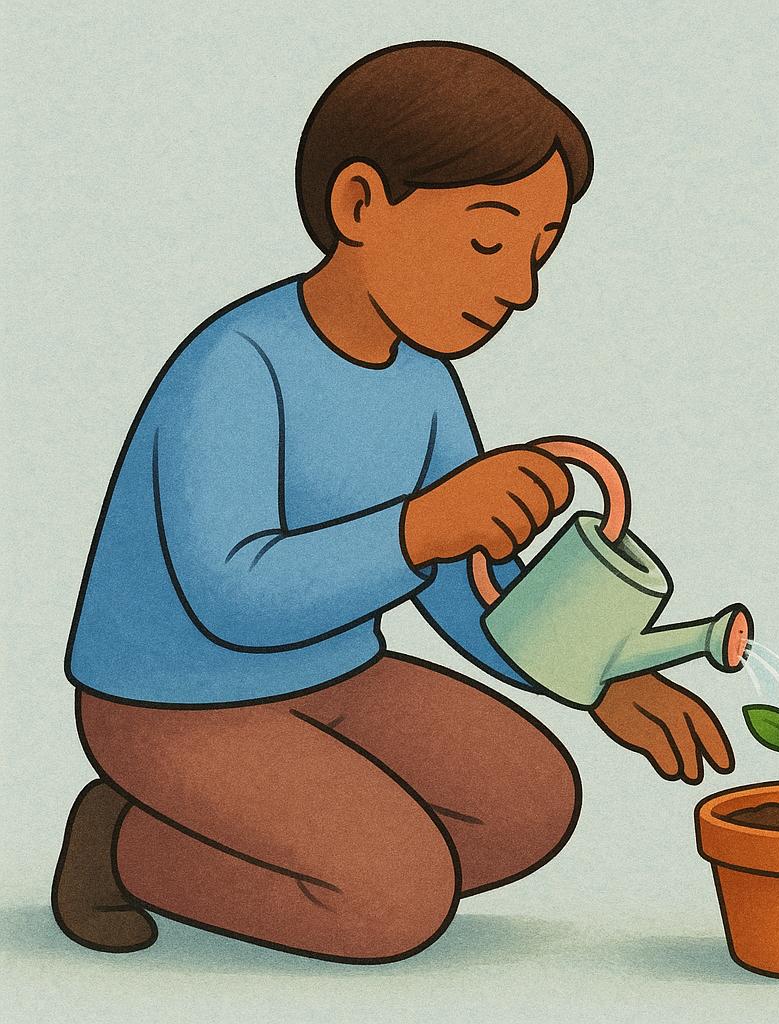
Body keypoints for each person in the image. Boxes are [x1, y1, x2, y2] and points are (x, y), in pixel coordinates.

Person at [52, 40, 735, 964]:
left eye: (540, 252)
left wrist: (594, 675)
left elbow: (468, 583)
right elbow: (234, 595)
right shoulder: (237, 365)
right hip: (173, 704)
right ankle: (123, 848)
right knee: (395, 905)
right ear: (360, 205)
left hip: (334, 681)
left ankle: (290, 849)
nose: (519, 289)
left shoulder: (423, 382)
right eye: (488, 240)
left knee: (531, 804)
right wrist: (424, 526)